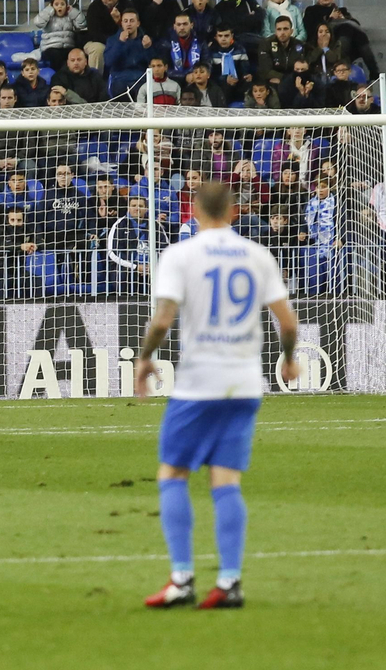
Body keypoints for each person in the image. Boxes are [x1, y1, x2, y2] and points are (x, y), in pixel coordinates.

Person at [136, 181, 298, 610]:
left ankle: (182, 578)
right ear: (233, 210)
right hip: (245, 385)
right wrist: (289, 359)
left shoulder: (181, 254)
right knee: (226, 482)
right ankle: (229, 582)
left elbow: (164, 318)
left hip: (199, 384)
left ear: (193, 208)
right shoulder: (256, 255)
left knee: (172, 475)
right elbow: (287, 322)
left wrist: (145, 358)